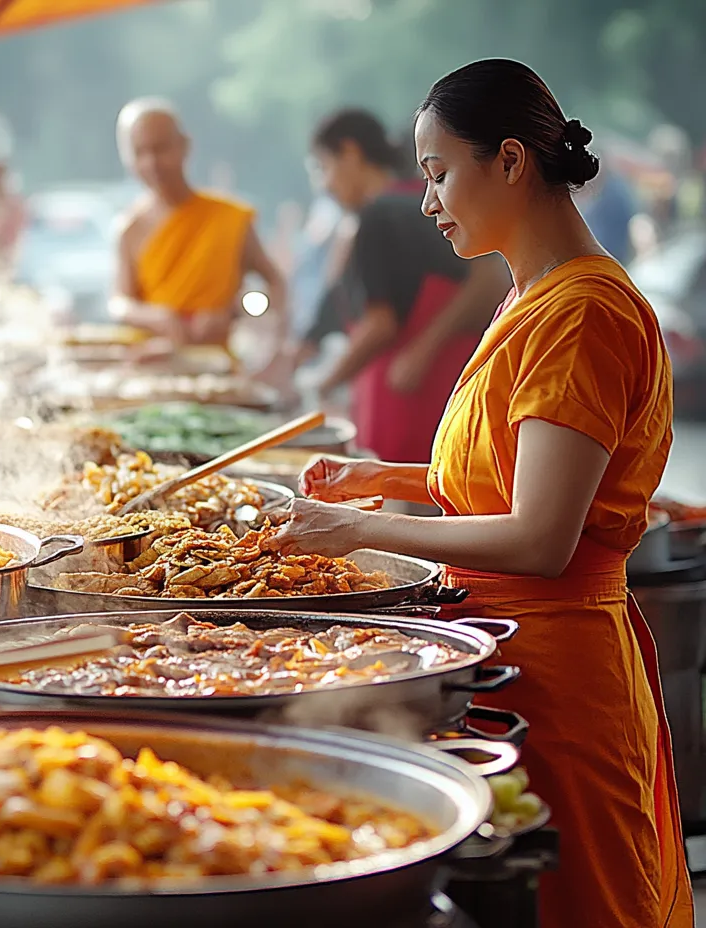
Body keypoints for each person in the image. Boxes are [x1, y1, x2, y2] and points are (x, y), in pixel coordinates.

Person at [271, 59, 694, 928]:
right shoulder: (529, 294)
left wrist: (355, 527)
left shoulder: (583, 312)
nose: (427, 201)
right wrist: (384, 478)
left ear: (509, 161)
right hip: (496, 651)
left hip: (558, 668)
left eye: (437, 173)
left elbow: (541, 535)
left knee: (582, 904)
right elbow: (505, 479)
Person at [299, 109, 510, 462]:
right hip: (435, 392)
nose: (325, 185)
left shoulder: (383, 212)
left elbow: (382, 324)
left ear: (350, 153)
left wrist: (321, 384)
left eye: (324, 168)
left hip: (407, 395)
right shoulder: (404, 206)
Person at [110, 98, 292, 384]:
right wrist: (158, 317)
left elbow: (275, 286)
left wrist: (237, 309)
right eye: (140, 153)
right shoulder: (129, 228)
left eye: (160, 148)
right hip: (152, 373)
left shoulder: (229, 219)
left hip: (219, 374)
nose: (152, 163)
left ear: (184, 145)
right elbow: (120, 303)